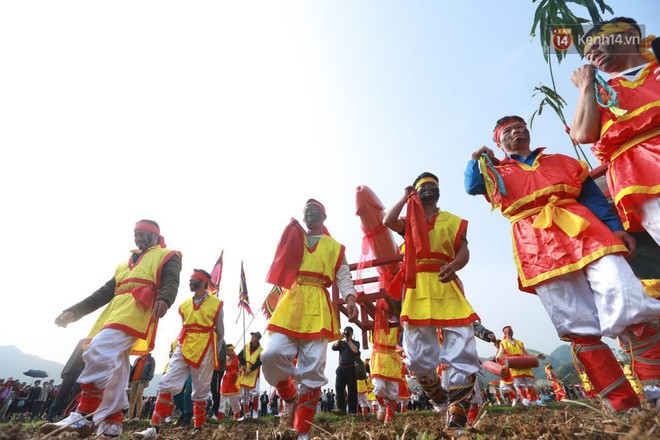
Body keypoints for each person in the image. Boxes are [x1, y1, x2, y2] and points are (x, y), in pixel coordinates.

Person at [465, 116, 660, 411]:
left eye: (521, 127)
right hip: (537, 245)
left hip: (586, 229)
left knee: (626, 294)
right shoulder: (495, 171)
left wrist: (614, 227)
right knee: (577, 323)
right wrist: (475, 159)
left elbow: (592, 197)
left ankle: (655, 390)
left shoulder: (563, 161)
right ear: (498, 142)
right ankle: (623, 405)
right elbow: (472, 185)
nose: (517, 131)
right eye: (508, 131)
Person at [43, 220, 181, 437]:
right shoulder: (124, 264)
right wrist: (75, 311)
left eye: (145, 234)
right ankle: (112, 422)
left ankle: (83, 414)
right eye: (137, 234)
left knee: (97, 350)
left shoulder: (167, 255)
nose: (139, 238)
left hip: (138, 310)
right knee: (117, 369)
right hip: (112, 313)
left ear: (156, 236)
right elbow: (103, 293)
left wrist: (165, 299)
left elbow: (171, 281)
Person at [383, 172, 481, 429]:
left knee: (462, 340)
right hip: (416, 289)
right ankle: (437, 393)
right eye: (422, 186)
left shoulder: (453, 220)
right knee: (416, 356)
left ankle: (457, 409)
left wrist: (454, 265)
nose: (427, 188)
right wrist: (405, 198)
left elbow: (463, 250)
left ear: (438, 191)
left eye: (431, 185)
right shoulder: (409, 220)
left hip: (445, 281)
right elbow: (387, 220)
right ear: (416, 192)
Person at [260, 199, 359, 440]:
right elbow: (282, 266)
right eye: (306, 211)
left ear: (324, 216)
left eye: (314, 210)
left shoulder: (334, 246)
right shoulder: (296, 239)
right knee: (270, 354)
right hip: (291, 301)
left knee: (312, 367)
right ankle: (289, 395)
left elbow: (343, 276)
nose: (309, 213)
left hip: (317, 304)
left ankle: (301, 431)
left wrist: (350, 298)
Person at [569, 17, 659, 243]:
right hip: (637, 176)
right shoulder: (601, 94)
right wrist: (585, 86)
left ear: (629, 35)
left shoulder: (657, 67)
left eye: (597, 42)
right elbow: (582, 134)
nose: (591, 54)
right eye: (587, 54)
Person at [136, 269, 224, 437]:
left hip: (205, 347)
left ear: (204, 283)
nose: (190, 282)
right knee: (167, 382)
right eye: (190, 279)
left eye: (194, 280)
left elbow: (220, 332)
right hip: (184, 344)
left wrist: (214, 354)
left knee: (200, 390)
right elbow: (184, 326)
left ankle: (198, 427)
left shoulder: (217, 304)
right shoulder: (184, 305)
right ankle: (154, 427)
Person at [496, 327, 541, 406]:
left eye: (511, 331)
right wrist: (497, 358)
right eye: (509, 331)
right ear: (505, 333)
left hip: (523, 363)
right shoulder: (503, 343)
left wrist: (536, 355)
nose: (510, 332)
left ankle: (534, 400)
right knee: (518, 383)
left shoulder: (519, 342)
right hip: (514, 364)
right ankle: (525, 400)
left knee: (529, 383)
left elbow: (526, 353)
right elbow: (501, 353)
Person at [332, 326, 360, 415]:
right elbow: (334, 347)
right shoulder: (341, 343)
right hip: (341, 368)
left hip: (351, 368)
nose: (347, 333)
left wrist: (349, 340)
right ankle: (341, 409)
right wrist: (340, 338)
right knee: (339, 388)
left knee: (352, 390)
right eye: (346, 332)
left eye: (349, 332)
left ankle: (352, 411)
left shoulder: (355, 342)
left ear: (352, 334)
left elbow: (355, 351)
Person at [237, 332, 263, 420]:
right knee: (244, 393)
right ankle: (246, 413)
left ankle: (255, 412)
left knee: (255, 392)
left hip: (254, 372)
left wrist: (251, 369)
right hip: (245, 371)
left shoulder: (261, 349)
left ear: (258, 338)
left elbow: (260, 361)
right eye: (252, 336)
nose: (252, 337)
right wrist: (243, 364)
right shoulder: (246, 346)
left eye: (254, 336)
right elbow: (240, 356)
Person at [217, 344, 241, 423]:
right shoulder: (226, 359)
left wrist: (237, 376)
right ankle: (220, 416)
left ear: (231, 350)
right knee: (222, 398)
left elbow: (241, 369)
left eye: (227, 351)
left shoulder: (238, 358)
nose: (226, 353)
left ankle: (236, 414)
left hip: (234, 380)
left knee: (233, 400)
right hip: (226, 380)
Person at [128, 354, 155, 421]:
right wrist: (129, 380)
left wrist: (148, 380)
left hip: (142, 380)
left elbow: (151, 370)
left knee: (139, 396)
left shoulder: (151, 359)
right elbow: (133, 370)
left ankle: (138, 416)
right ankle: (129, 417)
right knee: (132, 398)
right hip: (134, 380)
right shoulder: (137, 359)